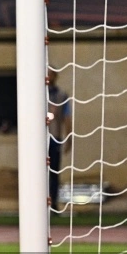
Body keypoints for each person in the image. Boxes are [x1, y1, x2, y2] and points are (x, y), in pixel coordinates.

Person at [47, 69, 70, 208]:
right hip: (38, 140)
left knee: (54, 171)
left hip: (55, 137)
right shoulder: (36, 93)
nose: (49, 76)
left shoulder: (62, 95)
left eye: (52, 74)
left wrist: (69, 138)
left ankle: (53, 203)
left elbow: (67, 117)